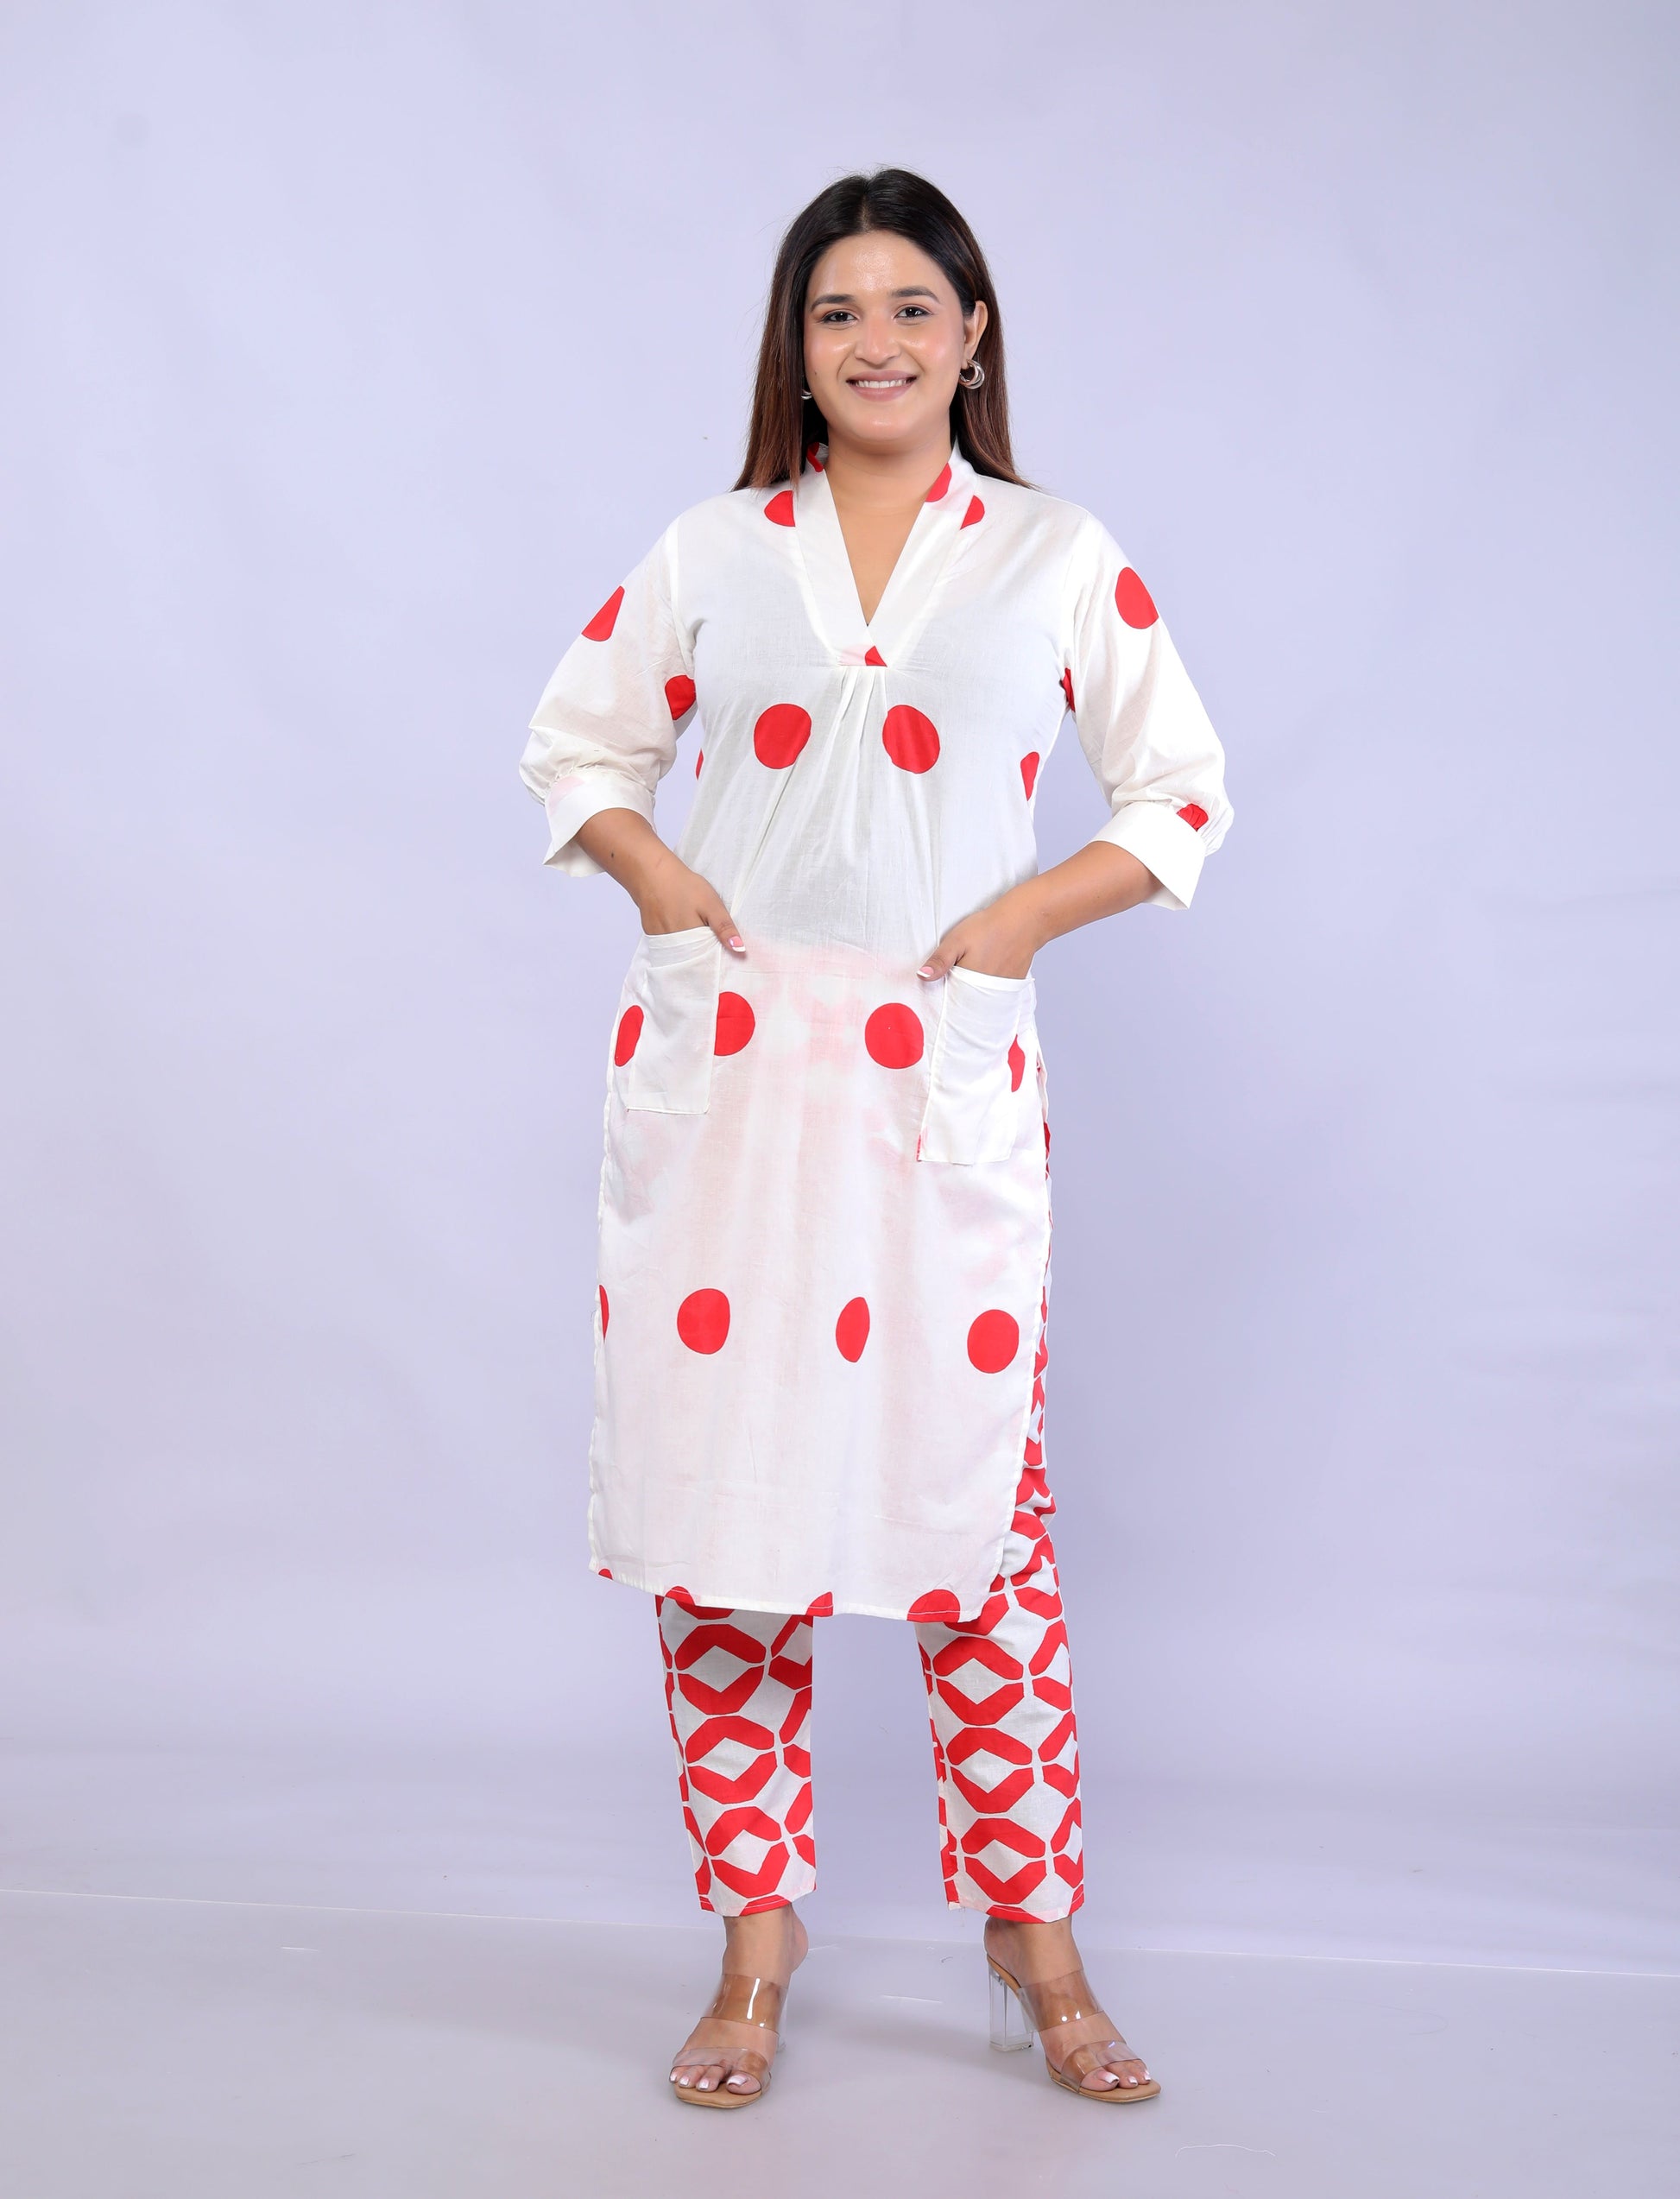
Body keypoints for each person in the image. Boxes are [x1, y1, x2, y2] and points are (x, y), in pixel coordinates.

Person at [518, 168, 1231, 2108]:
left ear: (973, 335)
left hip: (936, 1078)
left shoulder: (1052, 554)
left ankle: (1032, 1931)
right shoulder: (714, 550)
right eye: (837, 310)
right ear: (796, 345)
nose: (877, 341)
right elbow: (576, 745)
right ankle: (755, 1940)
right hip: (738, 1070)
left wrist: (1016, 922)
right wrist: (662, 881)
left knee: (975, 1521)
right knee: (723, 1526)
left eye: (914, 305)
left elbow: (1179, 792)